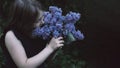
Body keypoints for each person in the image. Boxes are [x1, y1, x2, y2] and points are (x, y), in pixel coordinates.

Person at [0, 0, 64, 68]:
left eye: (42, 17)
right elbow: (24, 65)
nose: (43, 22)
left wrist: (54, 49)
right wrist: (50, 48)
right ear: (24, 22)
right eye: (38, 20)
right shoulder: (11, 36)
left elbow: (45, 59)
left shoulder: (39, 30)